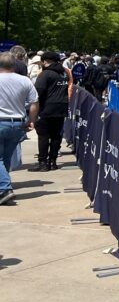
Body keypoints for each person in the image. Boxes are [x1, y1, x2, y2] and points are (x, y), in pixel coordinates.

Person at [0, 52, 39, 205]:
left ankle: (5, 188)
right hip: (17, 123)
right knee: (6, 158)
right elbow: (34, 102)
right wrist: (32, 120)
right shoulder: (25, 80)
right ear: (14, 65)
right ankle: (3, 187)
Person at [32, 51, 69, 171]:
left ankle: (42, 162)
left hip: (46, 108)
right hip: (61, 107)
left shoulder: (45, 74)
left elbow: (38, 93)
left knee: (43, 135)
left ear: (45, 61)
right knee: (56, 135)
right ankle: (53, 161)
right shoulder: (64, 73)